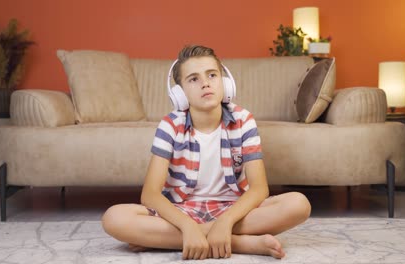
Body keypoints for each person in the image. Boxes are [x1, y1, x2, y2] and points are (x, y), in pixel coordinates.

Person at [102, 45, 311, 260]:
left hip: (233, 209)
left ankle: (165, 240)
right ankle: (241, 243)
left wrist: (226, 222)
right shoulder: (170, 125)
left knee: (298, 204)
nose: (205, 83)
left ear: (225, 82)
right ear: (179, 94)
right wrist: (187, 226)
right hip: (182, 209)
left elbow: (258, 189)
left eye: (212, 75)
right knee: (114, 218)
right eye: (193, 79)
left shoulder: (243, 120)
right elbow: (150, 194)